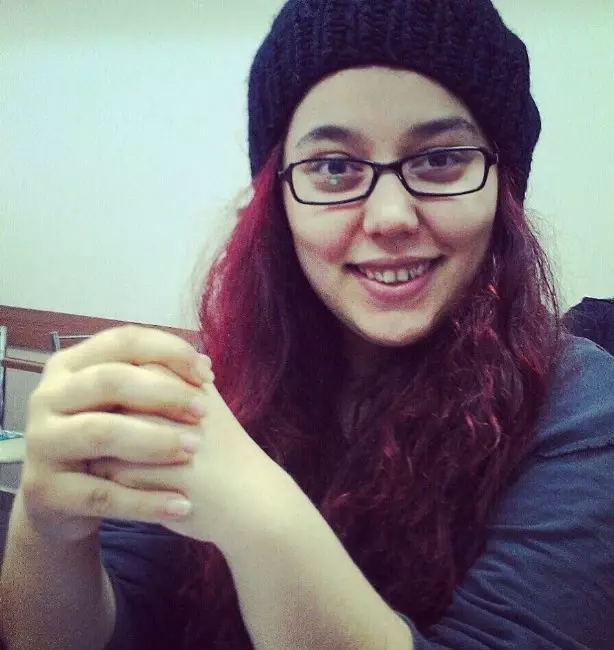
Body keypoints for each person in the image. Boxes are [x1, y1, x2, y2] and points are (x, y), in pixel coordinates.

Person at [1, 0, 613, 649]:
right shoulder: (223, 376)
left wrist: (261, 517)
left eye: (440, 159)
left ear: (501, 185)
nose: (390, 217)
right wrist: (48, 528)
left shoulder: (580, 407)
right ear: (279, 199)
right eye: (334, 167)